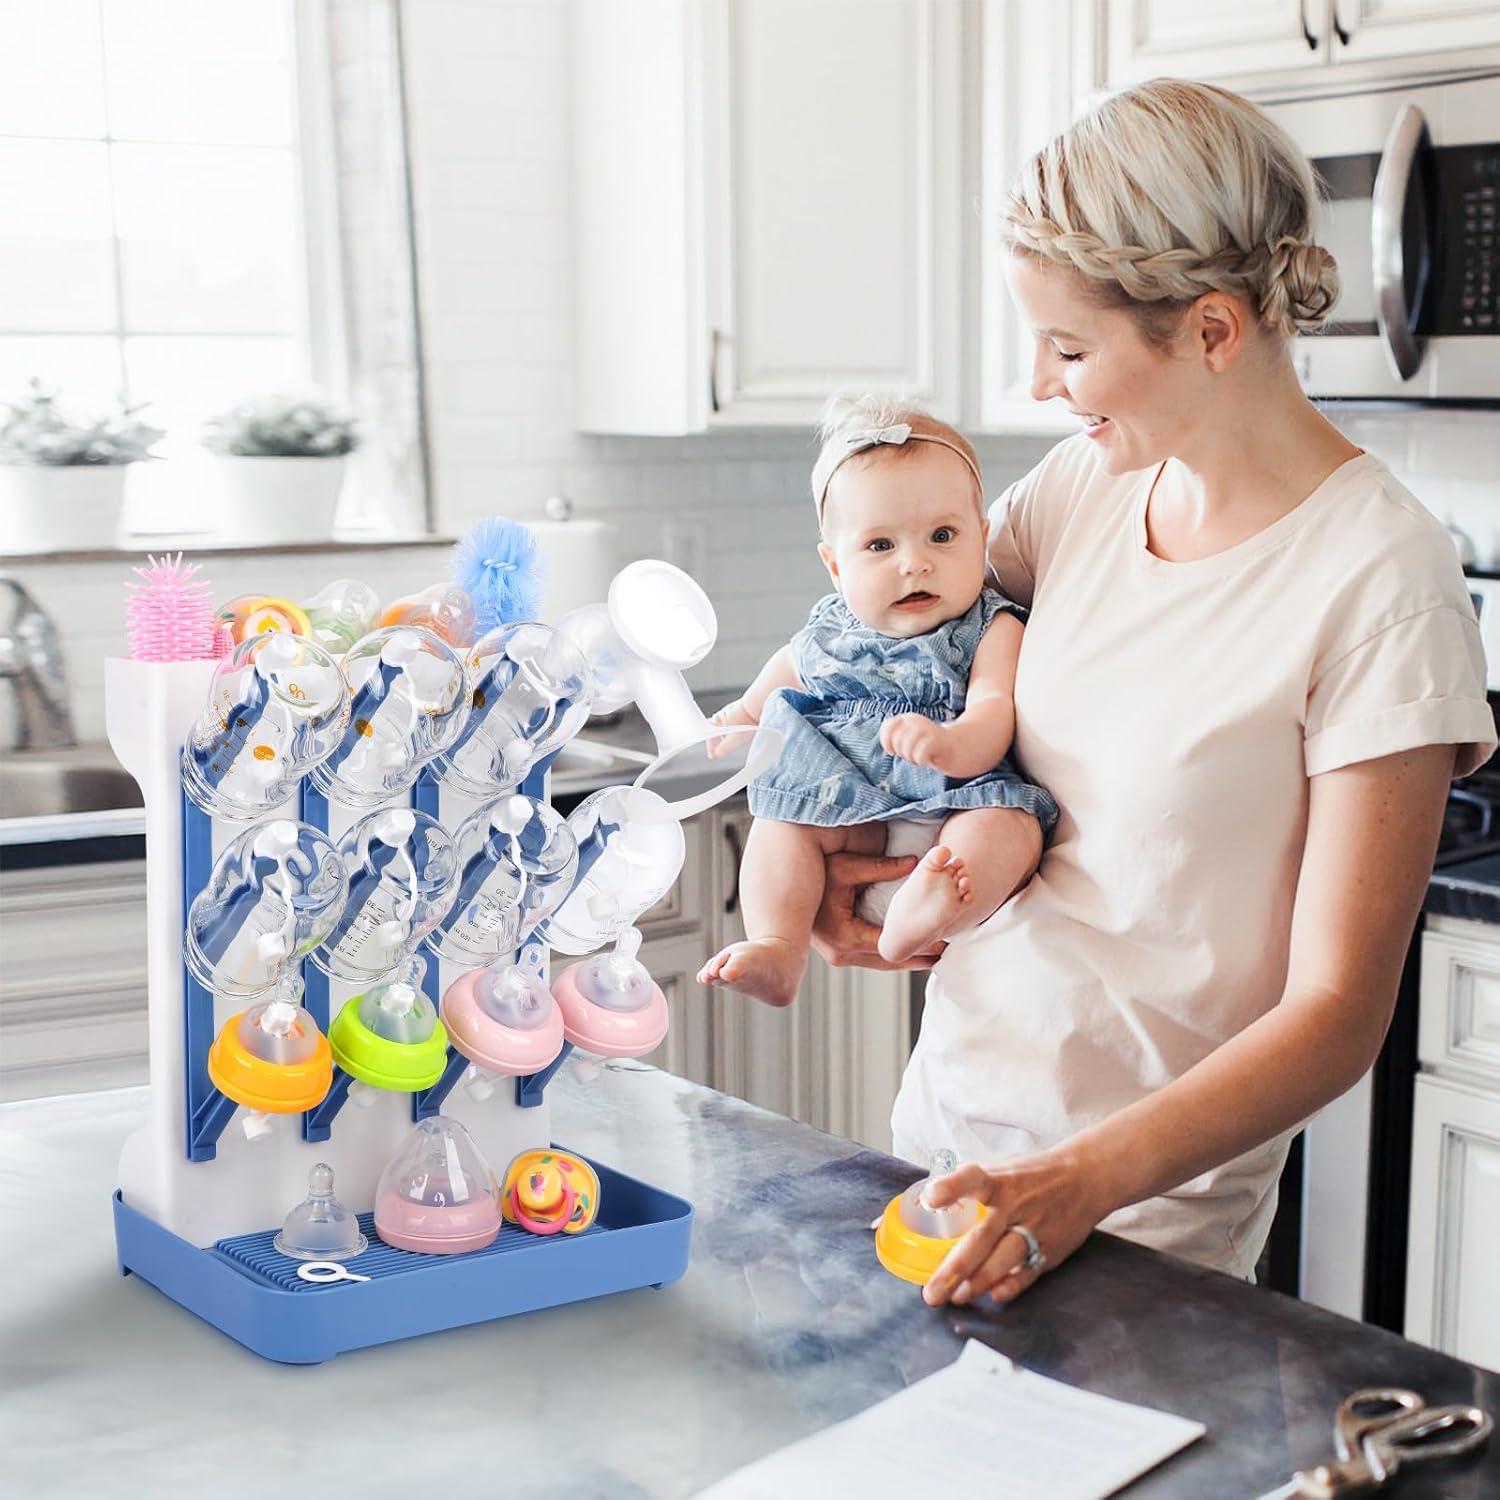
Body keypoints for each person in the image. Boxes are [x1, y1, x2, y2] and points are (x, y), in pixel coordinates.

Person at [808, 77, 1496, 1305]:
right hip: (946, 1134)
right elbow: (876, 645)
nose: (1040, 385)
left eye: (1071, 349)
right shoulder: (1085, 488)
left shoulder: (1384, 578)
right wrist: (828, 835)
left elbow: (1339, 1009)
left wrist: (1076, 1181)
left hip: (1147, 1224)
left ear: (1215, 330)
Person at [696, 397, 1058, 1009]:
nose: (915, 563)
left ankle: (928, 909)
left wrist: (953, 744)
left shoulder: (993, 627)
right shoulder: (828, 632)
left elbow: (994, 708)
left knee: (1012, 827)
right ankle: (778, 946)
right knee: (782, 824)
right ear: (835, 566)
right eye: (880, 546)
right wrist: (740, 716)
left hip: (955, 798)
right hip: (843, 806)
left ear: (982, 538)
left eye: (943, 536)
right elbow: (780, 679)